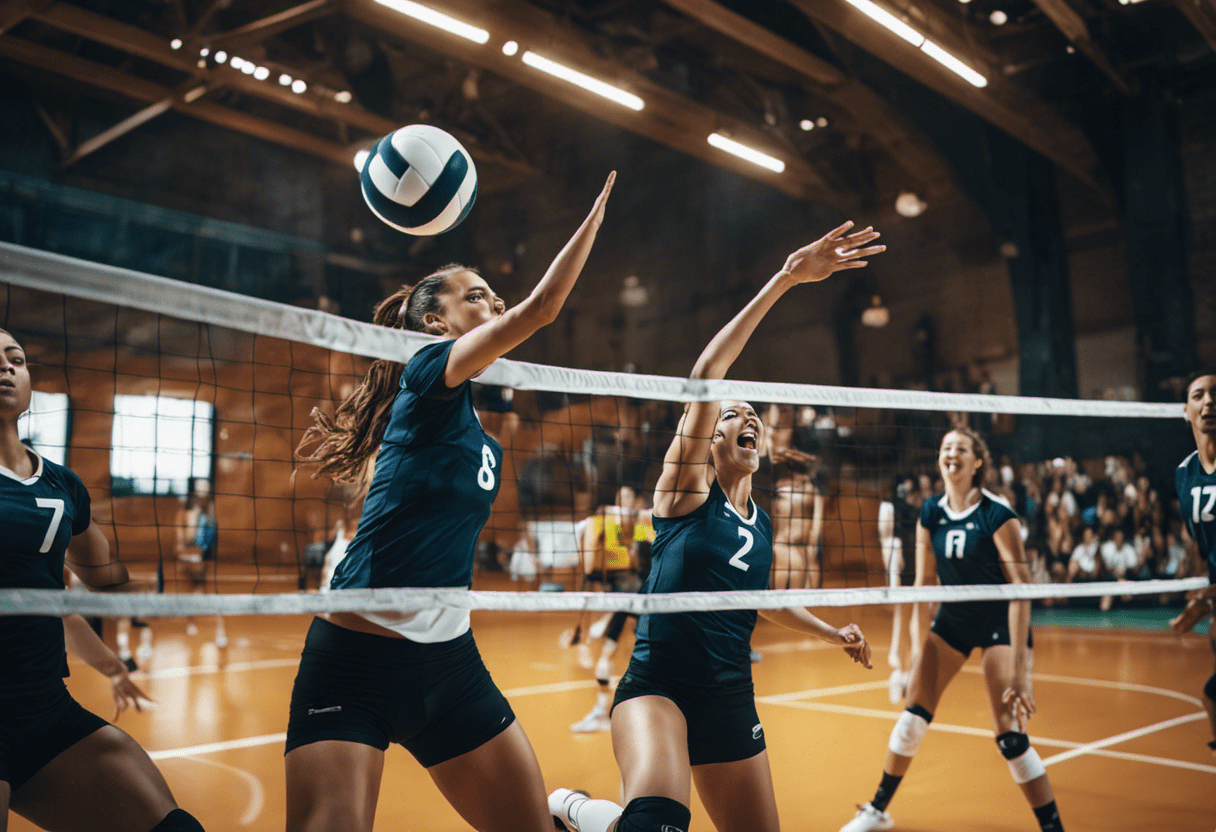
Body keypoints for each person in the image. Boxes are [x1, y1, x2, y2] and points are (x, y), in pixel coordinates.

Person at [286, 172, 614, 832]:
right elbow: (542, 308)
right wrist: (598, 212)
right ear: (438, 323)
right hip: (356, 663)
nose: (493, 301)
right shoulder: (429, 370)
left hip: (450, 664)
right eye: (476, 296)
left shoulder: (481, 437)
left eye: (492, 294)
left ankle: (564, 812)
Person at [549, 220, 880, 832]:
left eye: (750, 411)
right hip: (659, 690)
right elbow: (706, 379)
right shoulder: (682, 493)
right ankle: (576, 808)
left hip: (730, 698)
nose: (744, 412)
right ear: (709, 438)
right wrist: (786, 279)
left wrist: (832, 632)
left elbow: (763, 601)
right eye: (731, 413)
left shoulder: (761, 522)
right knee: (657, 827)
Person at [0, 328, 205, 832]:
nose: (6, 368)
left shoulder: (62, 485)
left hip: (43, 713)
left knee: (175, 828)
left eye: (17, 359)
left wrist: (115, 665)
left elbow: (74, 593)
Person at [839, 426, 1064, 832]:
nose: (951, 454)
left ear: (978, 462)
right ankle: (877, 810)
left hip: (999, 622)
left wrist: (1019, 671)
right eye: (946, 447)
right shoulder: (931, 511)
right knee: (912, 717)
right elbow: (924, 585)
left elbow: (1021, 591)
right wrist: (918, 647)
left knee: (1010, 737)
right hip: (954, 622)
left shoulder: (997, 513)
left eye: (961, 448)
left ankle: (1052, 827)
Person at [571, 488, 655, 733]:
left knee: (645, 656)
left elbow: (650, 540)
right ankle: (601, 710)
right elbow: (589, 559)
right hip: (621, 596)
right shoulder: (603, 522)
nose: (626, 502)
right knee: (607, 654)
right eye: (622, 498)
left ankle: (640, 711)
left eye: (630, 497)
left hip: (641, 597)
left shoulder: (638, 525)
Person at [1168, 371, 1216, 755]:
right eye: (1198, 395)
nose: (1209, 402)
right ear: (1186, 411)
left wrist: (1207, 600)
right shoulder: (1184, 474)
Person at [176, 478, 226, 647]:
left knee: (207, 591)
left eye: (206, 489)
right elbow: (184, 540)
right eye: (200, 490)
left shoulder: (210, 513)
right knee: (195, 591)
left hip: (205, 559)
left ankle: (219, 631)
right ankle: (194, 623)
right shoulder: (186, 513)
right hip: (189, 559)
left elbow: (212, 538)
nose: (203, 494)